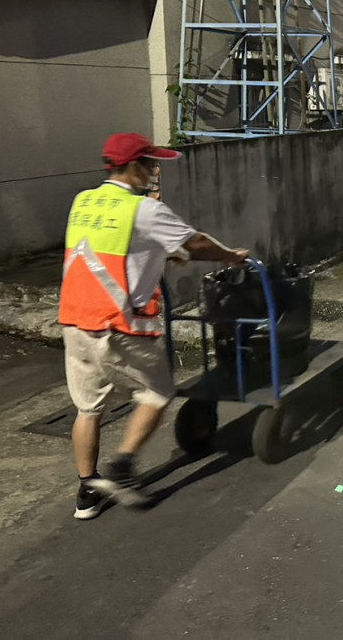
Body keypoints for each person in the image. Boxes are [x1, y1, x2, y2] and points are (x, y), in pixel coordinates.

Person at [59, 132, 250, 520]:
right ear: (133, 166)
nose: (154, 170)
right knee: (157, 392)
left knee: (88, 407)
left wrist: (166, 251)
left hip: (75, 321)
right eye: (150, 163)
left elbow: (117, 246)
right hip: (118, 326)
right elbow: (195, 243)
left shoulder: (83, 201)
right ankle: (123, 468)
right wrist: (231, 256)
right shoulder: (143, 209)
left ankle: (87, 491)